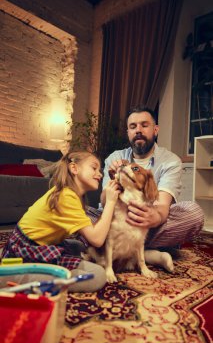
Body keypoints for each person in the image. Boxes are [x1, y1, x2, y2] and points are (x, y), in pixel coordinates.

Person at [1, 151, 121, 292]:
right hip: (27, 249)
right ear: (74, 168)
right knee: (97, 276)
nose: (100, 174)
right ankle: (13, 277)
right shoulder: (67, 197)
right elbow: (97, 239)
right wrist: (111, 202)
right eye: (94, 168)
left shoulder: (70, 194)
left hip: (30, 242)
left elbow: (90, 233)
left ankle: (9, 258)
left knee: (77, 246)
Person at [99, 105, 204, 250]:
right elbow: (104, 204)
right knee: (82, 213)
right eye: (133, 126)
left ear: (155, 130)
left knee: (194, 213)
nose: (138, 130)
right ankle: (147, 249)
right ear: (128, 132)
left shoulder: (171, 161)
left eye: (144, 125)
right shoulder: (115, 158)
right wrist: (114, 179)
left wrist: (156, 217)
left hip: (151, 221)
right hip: (117, 218)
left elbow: (162, 205)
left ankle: (119, 246)